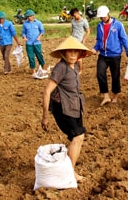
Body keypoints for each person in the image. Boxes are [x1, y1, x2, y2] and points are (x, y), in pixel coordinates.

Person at [41, 36, 93, 183]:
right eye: (69, 52)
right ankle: (69, 173)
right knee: (78, 137)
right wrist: (45, 116)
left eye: (75, 52)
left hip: (75, 106)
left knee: (77, 138)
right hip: (62, 108)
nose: (72, 55)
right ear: (63, 53)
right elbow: (47, 91)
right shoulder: (61, 68)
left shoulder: (75, 66)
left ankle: (67, 169)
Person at [91, 5, 128, 105]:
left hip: (115, 55)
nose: (102, 19)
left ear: (108, 14)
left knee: (115, 76)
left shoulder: (118, 25)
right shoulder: (99, 26)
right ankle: (105, 96)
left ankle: (115, 95)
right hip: (103, 55)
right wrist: (95, 48)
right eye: (101, 17)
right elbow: (98, 40)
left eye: (103, 16)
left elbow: (124, 39)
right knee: (100, 73)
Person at [22, 9, 49, 78]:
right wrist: (24, 37)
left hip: (37, 42)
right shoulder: (25, 24)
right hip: (29, 43)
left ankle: (42, 68)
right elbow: (23, 33)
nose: (29, 18)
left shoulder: (38, 23)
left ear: (33, 16)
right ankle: (33, 71)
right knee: (31, 57)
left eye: (30, 16)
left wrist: (39, 36)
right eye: (27, 17)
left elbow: (42, 31)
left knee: (39, 55)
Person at [70, 8, 90, 73]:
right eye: (73, 16)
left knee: (79, 56)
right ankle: (73, 67)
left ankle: (80, 70)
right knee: (72, 54)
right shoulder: (73, 21)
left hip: (79, 41)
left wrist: (84, 40)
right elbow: (72, 30)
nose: (74, 17)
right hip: (73, 40)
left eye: (74, 15)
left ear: (77, 13)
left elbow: (88, 31)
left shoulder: (84, 21)